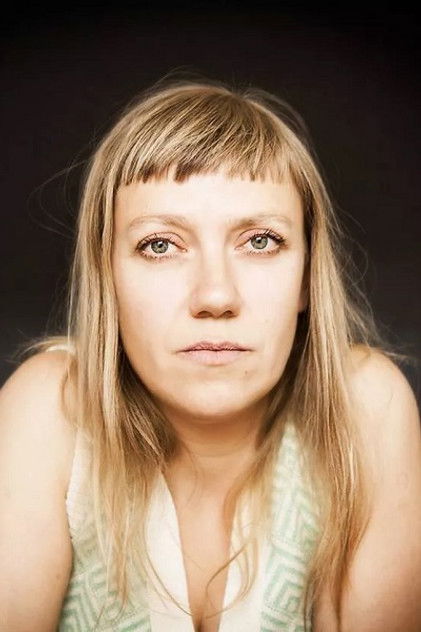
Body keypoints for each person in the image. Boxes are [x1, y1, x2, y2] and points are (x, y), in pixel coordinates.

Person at [1, 77, 420, 632]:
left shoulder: (364, 405)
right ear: (109, 280)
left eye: (260, 241)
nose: (216, 296)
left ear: (305, 277)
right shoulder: (49, 408)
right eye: (160, 245)